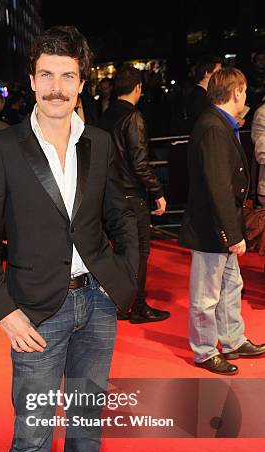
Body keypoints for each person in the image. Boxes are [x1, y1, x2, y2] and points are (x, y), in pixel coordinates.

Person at [0, 25, 138, 452]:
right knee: (33, 439)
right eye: (47, 74)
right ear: (32, 80)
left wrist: (126, 284)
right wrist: (3, 312)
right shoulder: (3, 147)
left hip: (97, 304)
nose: (57, 86)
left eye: (68, 75)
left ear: (82, 82)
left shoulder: (101, 143)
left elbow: (121, 216)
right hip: (37, 313)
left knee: (87, 429)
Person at [178, 67, 265, 375]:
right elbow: (218, 185)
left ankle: (232, 340)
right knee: (206, 294)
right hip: (211, 227)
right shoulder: (214, 127)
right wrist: (232, 232)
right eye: (244, 91)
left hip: (219, 225)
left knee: (231, 286)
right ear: (236, 93)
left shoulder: (218, 124)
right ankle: (203, 351)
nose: (246, 96)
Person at [99, 65, 170, 323]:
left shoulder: (105, 116)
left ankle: (121, 303)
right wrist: (158, 192)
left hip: (109, 195)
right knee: (139, 252)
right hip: (131, 195)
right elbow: (139, 163)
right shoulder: (134, 117)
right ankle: (137, 306)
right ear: (138, 87)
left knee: (120, 252)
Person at [185, 55, 222, 128]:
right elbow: (206, 122)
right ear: (207, 73)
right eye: (218, 72)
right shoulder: (198, 96)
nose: (221, 76)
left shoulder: (207, 93)